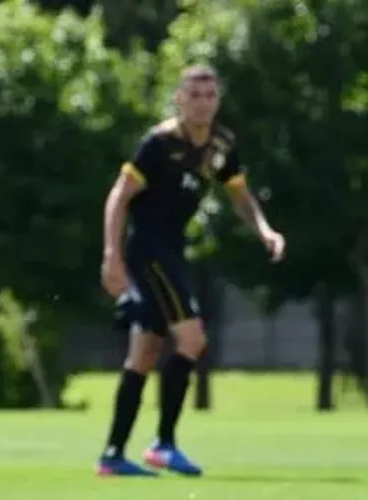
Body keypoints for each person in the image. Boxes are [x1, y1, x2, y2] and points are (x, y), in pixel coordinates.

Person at [97, 65, 285, 478]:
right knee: (193, 338)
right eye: (194, 94)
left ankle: (112, 455)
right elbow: (119, 196)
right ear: (179, 99)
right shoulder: (159, 143)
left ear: (218, 100)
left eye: (210, 95)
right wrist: (111, 256)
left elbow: (239, 195)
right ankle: (163, 445)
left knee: (145, 351)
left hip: (172, 251)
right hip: (149, 251)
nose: (203, 102)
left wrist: (265, 230)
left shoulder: (221, 144)